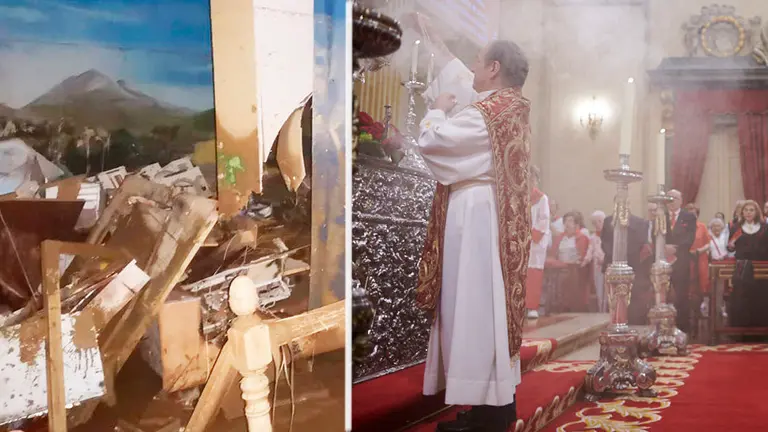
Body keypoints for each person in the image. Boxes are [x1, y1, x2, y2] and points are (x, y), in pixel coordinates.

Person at [412, 16, 529, 431]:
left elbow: (434, 142)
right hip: (487, 212)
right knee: (484, 306)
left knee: (474, 306)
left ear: (495, 68)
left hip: (474, 215)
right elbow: (462, 80)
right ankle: (489, 405)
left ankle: (488, 413)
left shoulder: (487, 112)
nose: (473, 69)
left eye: (479, 62)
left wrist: (436, 112)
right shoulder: (509, 105)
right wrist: (438, 44)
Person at [602, 212, 654, 325]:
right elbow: (605, 243)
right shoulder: (608, 221)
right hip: (613, 265)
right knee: (614, 298)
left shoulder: (640, 222)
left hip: (634, 266)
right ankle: (616, 321)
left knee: (634, 298)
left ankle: (634, 323)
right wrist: (614, 258)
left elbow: (641, 242)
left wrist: (627, 256)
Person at [726, 200, 768, 327]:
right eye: (746, 210)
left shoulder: (764, 228)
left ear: (756, 212)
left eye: (751, 210)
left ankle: (761, 327)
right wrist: (731, 246)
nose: (748, 213)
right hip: (742, 268)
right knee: (741, 297)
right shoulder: (735, 228)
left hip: (761, 269)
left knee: (760, 297)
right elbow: (730, 248)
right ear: (742, 212)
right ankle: (740, 329)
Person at [662, 190, 697, 333]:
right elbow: (655, 234)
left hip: (681, 260)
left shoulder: (688, 217)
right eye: (669, 198)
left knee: (682, 294)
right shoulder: (661, 215)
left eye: (675, 198)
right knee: (662, 294)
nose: (672, 201)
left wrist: (675, 249)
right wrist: (664, 248)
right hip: (663, 260)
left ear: (681, 201)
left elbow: (690, 238)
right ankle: (662, 326)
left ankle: (683, 327)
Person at [546, 211, 590, 312]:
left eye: (570, 221)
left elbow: (582, 257)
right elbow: (553, 255)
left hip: (575, 271)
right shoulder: (559, 238)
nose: (567, 223)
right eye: (565, 221)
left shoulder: (582, 238)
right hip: (559, 269)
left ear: (577, 225)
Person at [526, 165, 550, 319]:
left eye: (532, 178)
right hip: (520, 241)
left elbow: (544, 220)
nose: (529, 181)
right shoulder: (518, 196)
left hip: (535, 244)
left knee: (533, 273)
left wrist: (531, 235)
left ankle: (532, 307)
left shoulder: (542, 198)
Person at [684, 204, 711, 318]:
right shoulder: (682, 226)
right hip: (686, 258)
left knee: (700, 285)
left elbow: (709, 243)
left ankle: (698, 309)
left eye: (694, 213)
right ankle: (686, 311)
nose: (691, 216)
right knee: (686, 283)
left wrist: (700, 250)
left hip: (700, 258)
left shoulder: (702, 226)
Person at [583, 210, 606, 312]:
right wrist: (585, 260)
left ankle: (608, 310)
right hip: (597, 267)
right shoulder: (592, 238)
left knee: (608, 291)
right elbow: (590, 251)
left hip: (608, 266)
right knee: (599, 290)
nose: (598, 224)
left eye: (600, 221)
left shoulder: (609, 236)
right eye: (595, 222)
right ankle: (601, 309)